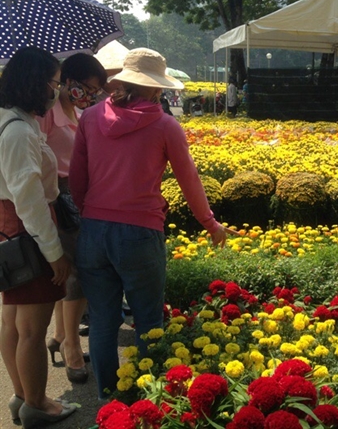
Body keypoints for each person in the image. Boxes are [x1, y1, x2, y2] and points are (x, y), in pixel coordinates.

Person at [68, 48, 239, 399]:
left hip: (94, 230)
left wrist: (93, 214)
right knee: (147, 320)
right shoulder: (164, 125)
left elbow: (77, 178)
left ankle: (107, 396)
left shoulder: (89, 118)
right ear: (156, 88)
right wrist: (210, 224)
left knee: (102, 320)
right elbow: (188, 179)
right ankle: (149, 398)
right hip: (140, 234)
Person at [0, 47, 76, 427]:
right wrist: (55, 253)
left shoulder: (14, 121)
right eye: (54, 83)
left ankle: (21, 396)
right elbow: (29, 199)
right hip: (26, 232)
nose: (56, 91)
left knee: (12, 321)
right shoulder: (16, 131)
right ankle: (37, 404)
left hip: (10, 228)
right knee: (31, 328)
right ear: (36, 83)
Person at [37, 53, 107, 385]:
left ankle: (59, 335)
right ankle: (71, 347)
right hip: (58, 197)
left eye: (96, 91)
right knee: (77, 272)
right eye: (88, 88)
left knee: (76, 268)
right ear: (69, 81)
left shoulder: (77, 111)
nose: (91, 95)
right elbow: (38, 156)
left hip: (79, 196)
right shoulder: (48, 113)